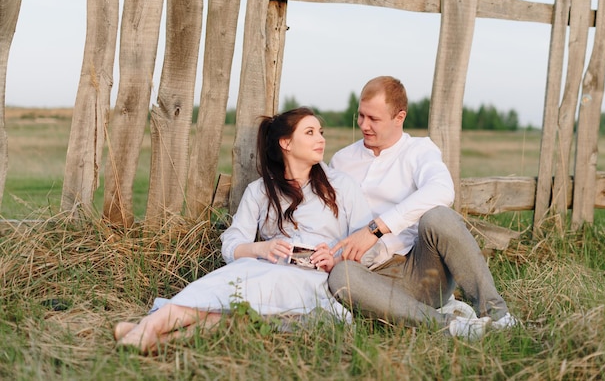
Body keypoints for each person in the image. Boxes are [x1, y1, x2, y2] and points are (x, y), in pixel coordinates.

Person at [114, 107, 372, 353]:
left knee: (241, 311)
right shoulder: (260, 190)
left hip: (314, 279)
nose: (321, 139)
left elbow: (366, 243)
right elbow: (233, 242)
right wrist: (262, 247)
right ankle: (151, 333)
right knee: (227, 288)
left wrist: (335, 260)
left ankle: (147, 331)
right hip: (266, 267)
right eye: (310, 132)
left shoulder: (342, 186)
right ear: (286, 143)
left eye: (321, 133)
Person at [327, 76, 517, 340]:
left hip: (420, 272)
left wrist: (375, 229)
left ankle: (498, 315)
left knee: (438, 216)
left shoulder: (419, 150)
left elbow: (442, 189)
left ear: (399, 117)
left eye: (374, 119)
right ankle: (449, 327)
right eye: (360, 116)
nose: (364, 125)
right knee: (341, 276)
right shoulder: (342, 160)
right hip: (370, 278)